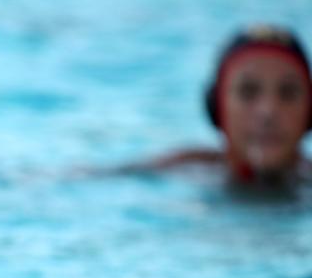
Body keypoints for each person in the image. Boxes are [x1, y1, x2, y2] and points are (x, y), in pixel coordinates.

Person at [124, 25, 312, 185]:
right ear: (217, 106)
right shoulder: (180, 170)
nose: (268, 111)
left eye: (288, 93)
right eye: (248, 92)